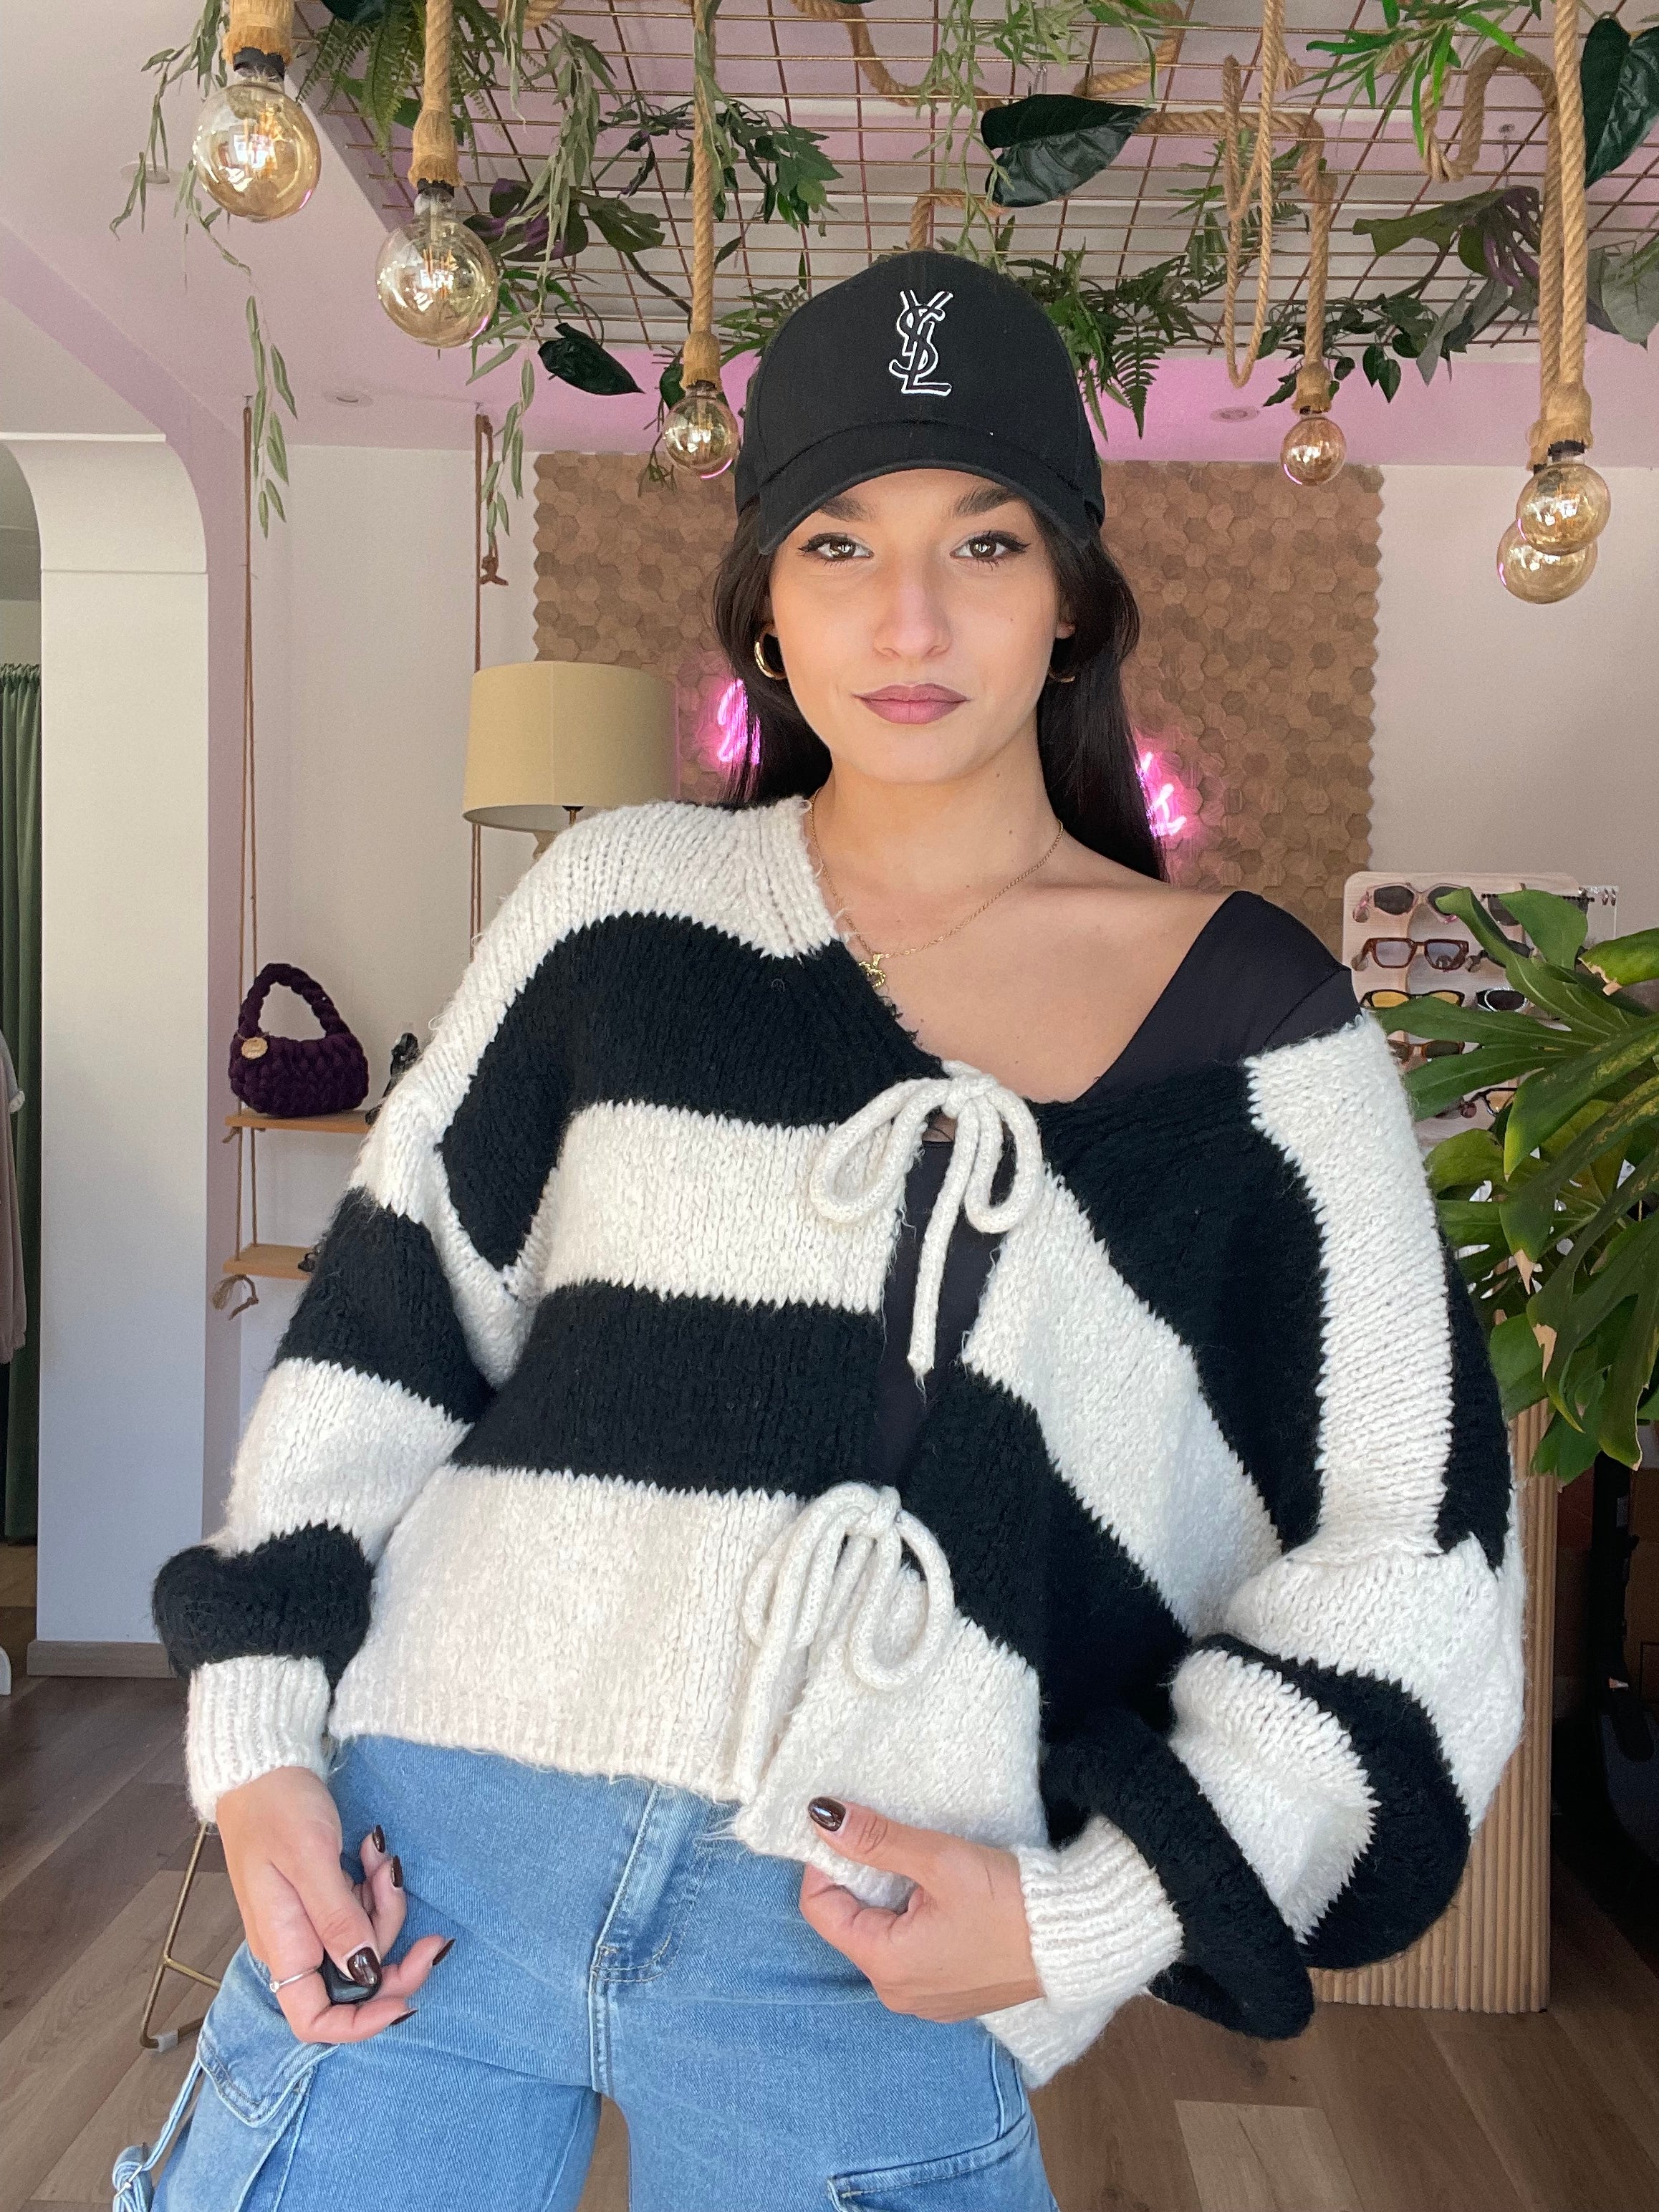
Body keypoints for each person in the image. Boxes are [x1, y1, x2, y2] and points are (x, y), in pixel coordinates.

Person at [135, 251, 1526, 2212]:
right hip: (423, 1855)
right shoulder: (619, 905)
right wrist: (263, 1741)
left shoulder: (1258, 1026)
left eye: (984, 542)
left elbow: (1413, 1547)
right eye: (837, 542)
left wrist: (1093, 1912)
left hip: (860, 1953)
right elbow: (385, 1332)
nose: (908, 615)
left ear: (1072, 596)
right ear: (766, 614)